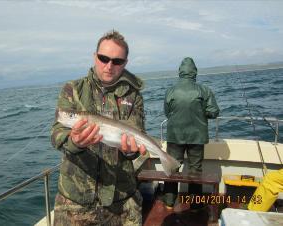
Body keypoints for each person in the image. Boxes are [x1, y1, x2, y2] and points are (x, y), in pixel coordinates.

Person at [51, 30, 147, 226]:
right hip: (75, 202)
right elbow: (56, 135)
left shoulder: (134, 96)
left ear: (125, 63)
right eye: (103, 58)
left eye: (117, 61)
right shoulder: (73, 89)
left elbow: (135, 138)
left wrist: (130, 152)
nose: (109, 65)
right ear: (95, 56)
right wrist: (75, 142)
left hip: (121, 200)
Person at [162, 57, 220, 209]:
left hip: (174, 136)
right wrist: (201, 113)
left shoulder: (170, 90)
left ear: (180, 72)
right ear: (195, 72)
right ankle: (195, 205)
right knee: (195, 170)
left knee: (172, 169)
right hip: (197, 137)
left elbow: (167, 113)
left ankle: (169, 202)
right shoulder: (204, 90)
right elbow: (214, 112)